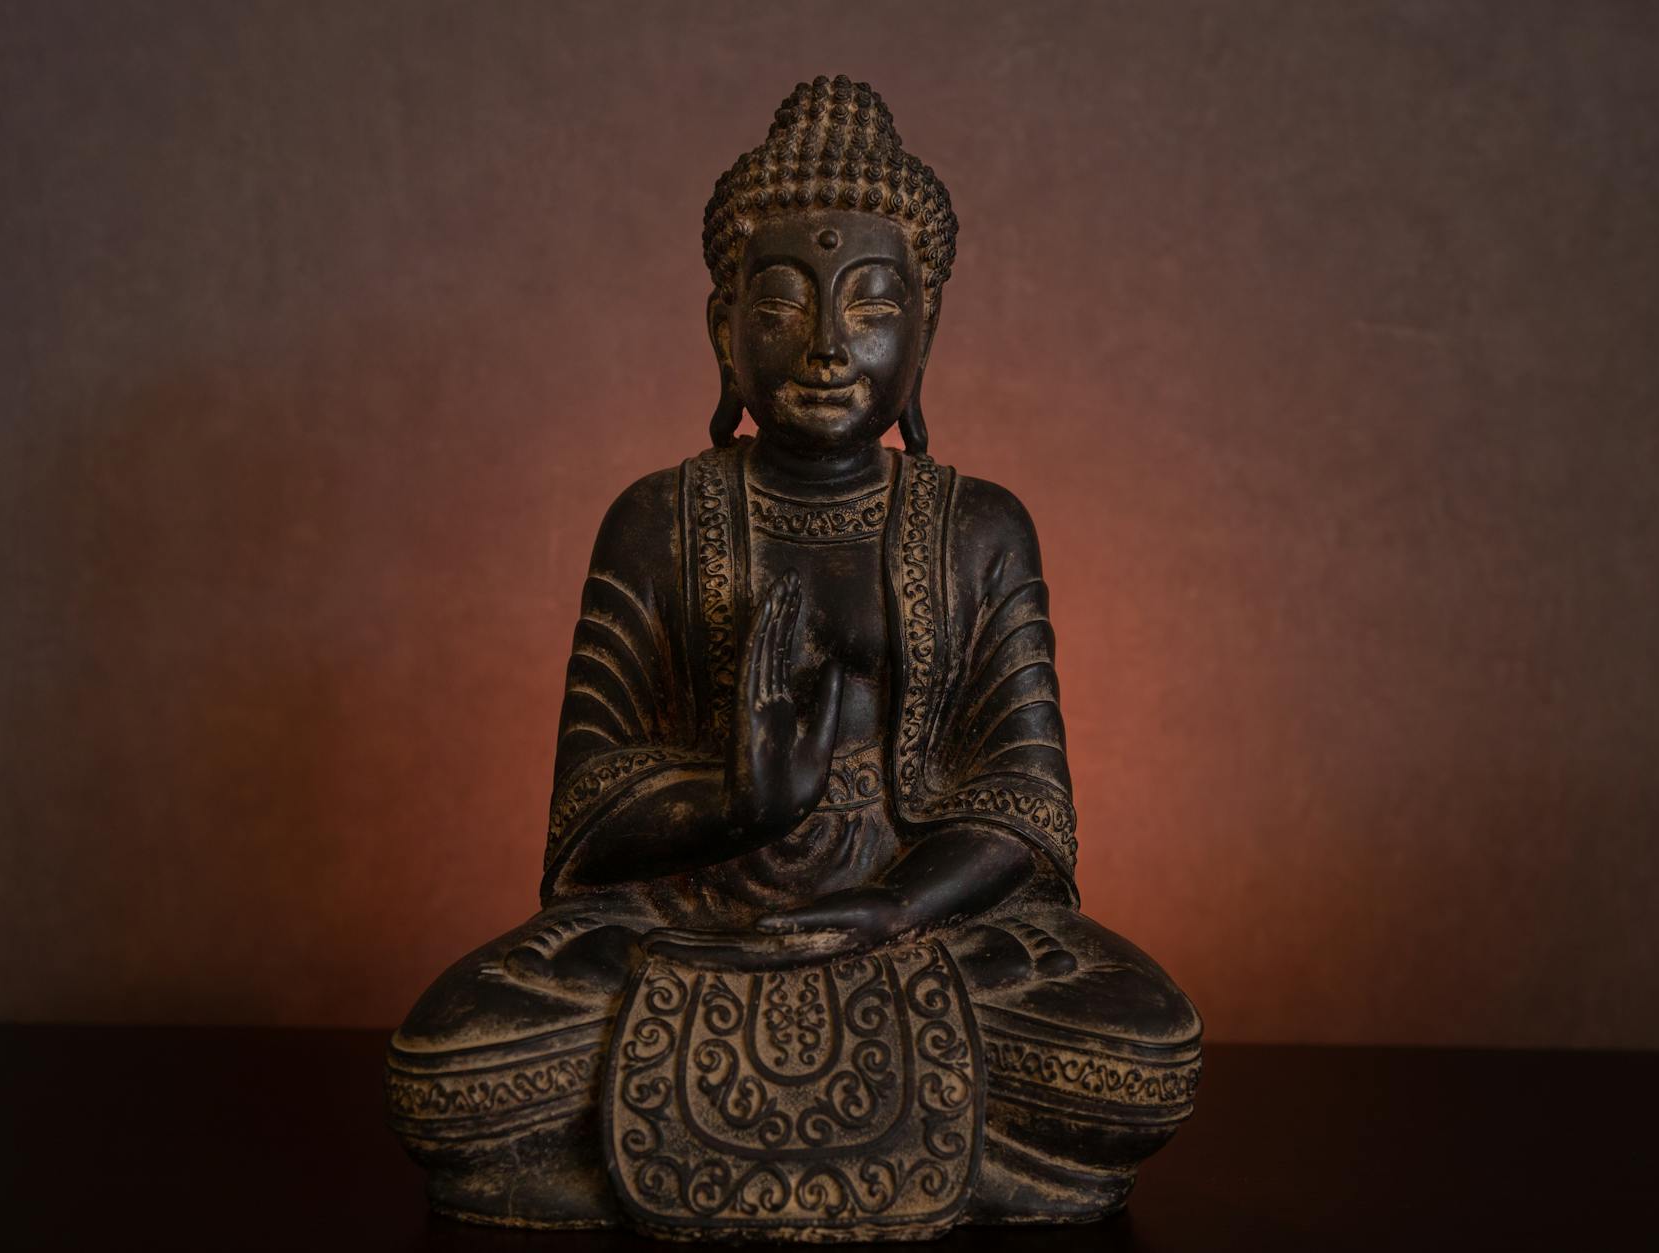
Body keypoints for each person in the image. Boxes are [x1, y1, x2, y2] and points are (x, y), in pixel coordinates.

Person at [387, 76, 1200, 1233]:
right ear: (723, 330)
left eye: (869, 302)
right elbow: (587, 812)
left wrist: (889, 906)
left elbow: (1022, 805)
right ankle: (979, 1155)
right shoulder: (653, 519)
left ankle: (634, 1163)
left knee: (1140, 1041)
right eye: (781, 304)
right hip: (692, 922)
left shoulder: (978, 529)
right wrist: (736, 796)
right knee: (450, 1058)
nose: (827, 344)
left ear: (926, 329)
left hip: (921, 925)